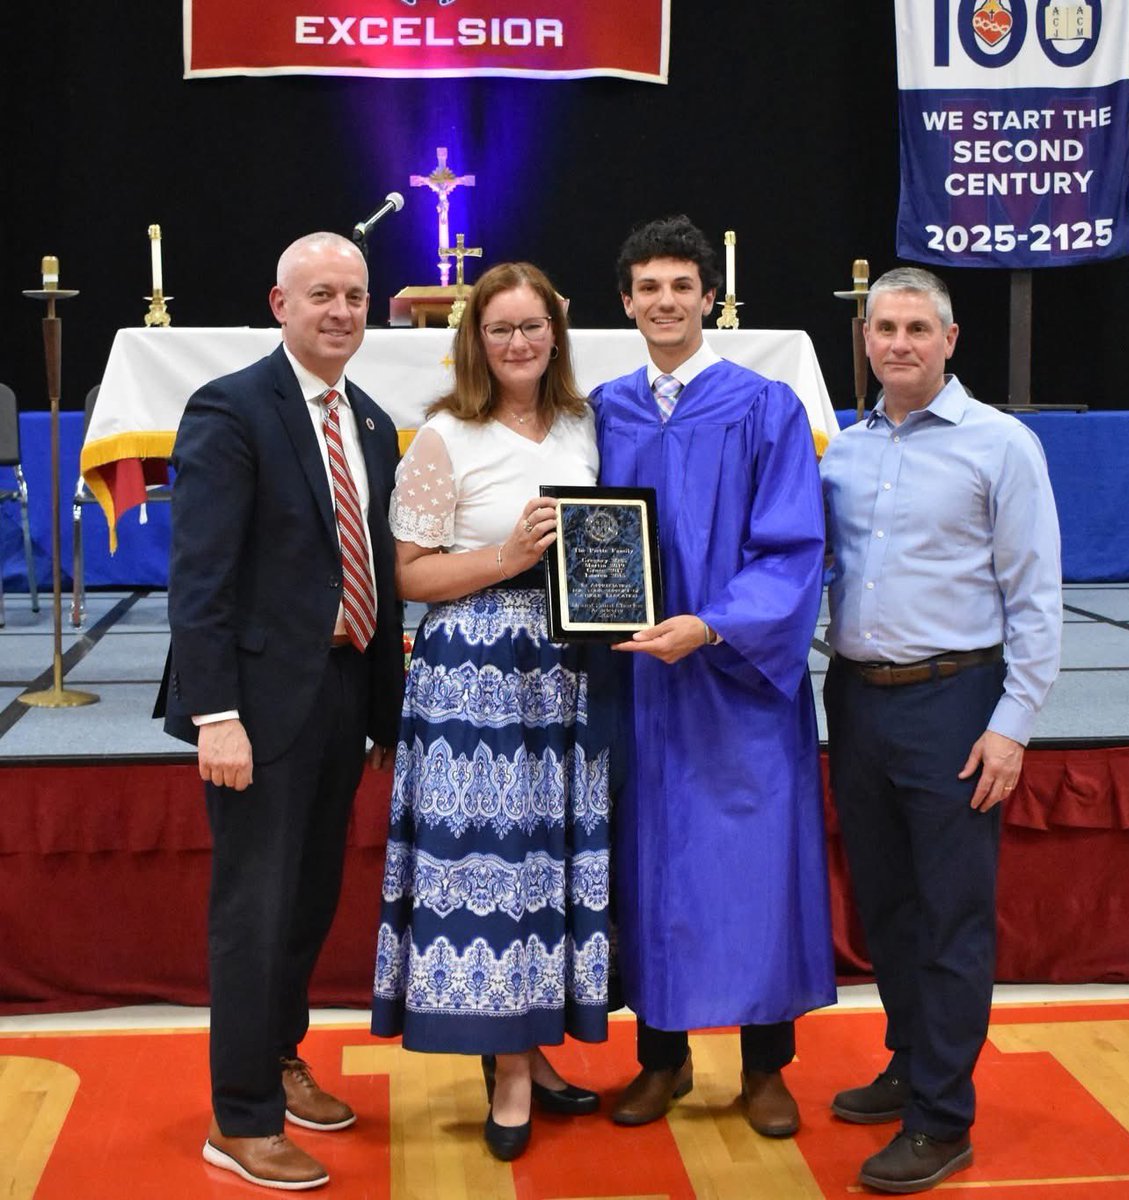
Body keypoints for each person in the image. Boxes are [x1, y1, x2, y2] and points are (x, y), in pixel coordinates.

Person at [159, 232, 402, 1191]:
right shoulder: (231, 408)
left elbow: (373, 571)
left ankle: (282, 1056)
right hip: (255, 709)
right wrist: (216, 713)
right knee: (252, 913)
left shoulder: (373, 422)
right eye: (322, 296)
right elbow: (201, 578)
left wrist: (383, 710)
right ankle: (241, 1116)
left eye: (355, 295)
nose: (341, 311)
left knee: (306, 900)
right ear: (279, 305)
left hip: (341, 695)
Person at [591, 215, 835, 1138]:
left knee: (754, 866)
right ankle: (663, 1059)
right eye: (647, 288)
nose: (664, 302)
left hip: (737, 683)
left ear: (707, 299)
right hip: (640, 683)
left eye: (680, 287)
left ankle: (766, 1065)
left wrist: (712, 625)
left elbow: (793, 548)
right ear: (626, 302)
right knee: (649, 862)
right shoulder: (603, 409)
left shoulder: (763, 405)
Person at [820, 266, 1062, 1194]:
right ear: (868, 338)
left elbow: (1036, 596)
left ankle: (943, 1118)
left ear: (950, 340)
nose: (899, 344)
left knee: (952, 915)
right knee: (886, 904)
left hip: (956, 703)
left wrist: (1013, 727)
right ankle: (911, 1059)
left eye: (919, 328)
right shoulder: (841, 450)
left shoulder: (1002, 446)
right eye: (885, 328)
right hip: (859, 698)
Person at [371, 262, 610, 1162]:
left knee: (548, 863)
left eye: (532, 326)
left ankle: (534, 1044)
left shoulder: (585, 424)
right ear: (476, 340)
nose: (518, 343)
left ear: (556, 332)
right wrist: (509, 556)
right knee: (494, 867)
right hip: (473, 677)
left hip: (564, 671)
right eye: (499, 328)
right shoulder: (444, 436)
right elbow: (409, 574)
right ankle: (508, 1069)